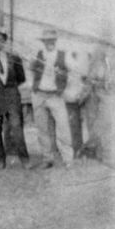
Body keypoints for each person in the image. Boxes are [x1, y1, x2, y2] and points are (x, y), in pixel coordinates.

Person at [0, 28, 29, 169]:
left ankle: (25, 159)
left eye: (1, 40)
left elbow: (21, 78)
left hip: (11, 96)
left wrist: (9, 88)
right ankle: (0, 159)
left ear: (5, 42)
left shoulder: (14, 58)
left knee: (16, 128)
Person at [30, 28, 73, 169]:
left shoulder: (63, 55)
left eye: (52, 40)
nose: (49, 42)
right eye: (46, 40)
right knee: (42, 128)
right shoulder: (38, 55)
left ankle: (68, 160)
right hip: (39, 95)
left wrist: (63, 82)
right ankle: (47, 159)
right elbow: (30, 70)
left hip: (55, 95)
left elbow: (73, 72)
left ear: (55, 41)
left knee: (63, 128)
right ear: (43, 42)